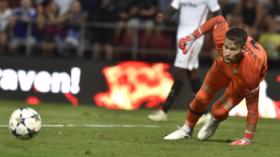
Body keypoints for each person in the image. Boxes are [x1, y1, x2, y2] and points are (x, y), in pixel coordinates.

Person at [163, 15, 267, 146]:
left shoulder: (251, 72)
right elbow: (218, 19)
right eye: (226, 47)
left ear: (244, 50)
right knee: (201, 97)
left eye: (233, 49)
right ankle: (186, 130)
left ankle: (215, 118)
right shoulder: (221, 38)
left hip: (241, 78)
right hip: (223, 66)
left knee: (219, 110)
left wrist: (247, 139)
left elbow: (252, 107)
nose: (228, 52)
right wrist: (192, 37)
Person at [148, 0, 221, 122]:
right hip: (181, 36)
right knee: (191, 73)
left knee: (179, 71)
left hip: (194, 37)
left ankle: (164, 111)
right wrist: (162, 16)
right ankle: (204, 113)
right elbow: (172, 8)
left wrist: (217, 33)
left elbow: (217, 13)